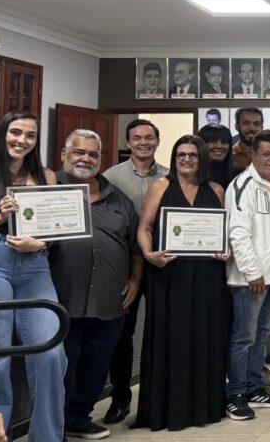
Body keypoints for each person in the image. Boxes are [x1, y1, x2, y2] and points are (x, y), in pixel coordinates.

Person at [131, 136, 232, 431]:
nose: (186, 160)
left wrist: (227, 249)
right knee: (170, 338)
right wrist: (149, 255)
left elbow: (224, 231)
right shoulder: (160, 187)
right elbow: (144, 228)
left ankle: (205, 406)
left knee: (206, 337)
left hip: (208, 278)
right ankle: (167, 409)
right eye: (181, 155)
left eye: (192, 155)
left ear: (202, 159)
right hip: (168, 275)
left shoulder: (216, 190)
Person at [50, 129, 142, 440]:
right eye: (79, 152)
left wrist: (134, 280)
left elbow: (134, 248)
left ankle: (79, 418)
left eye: (92, 154)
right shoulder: (47, 190)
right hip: (62, 300)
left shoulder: (118, 198)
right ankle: (55, 424)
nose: (85, 159)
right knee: (62, 366)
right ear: (65, 153)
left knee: (96, 365)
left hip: (108, 301)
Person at [0, 111, 65, 442]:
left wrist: (42, 240)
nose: (22, 140)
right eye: (15, 132)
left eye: (30, 135)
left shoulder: (45, 175)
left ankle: (47, 437)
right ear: (3, 132)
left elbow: (59, 224)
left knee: (51, 351)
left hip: (36, 265)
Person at [100, 119, 168, 425]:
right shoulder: (110, 178)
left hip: (163, 264)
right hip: (125, 266)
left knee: (162, 330)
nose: (143, 142)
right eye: (137, 138)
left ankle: (160, 394)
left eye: (149, 137)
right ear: (129, 143)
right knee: (122, 335)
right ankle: (120, 399)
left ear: (157, 141)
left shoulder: (170, 176)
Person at [223, 130, 270, 420]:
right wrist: (253, 272)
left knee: (261, 335)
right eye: (266, 153)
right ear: (253, 154)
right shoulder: (243, 185)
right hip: (251, 280)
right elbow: (238, 232)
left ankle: (254, 387)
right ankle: (236, 393)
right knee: (243, 337)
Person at [199, 124, 235, 189]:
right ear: (201, 144)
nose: (219, 146)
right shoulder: (192, 174)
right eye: (213, 141)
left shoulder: (238, 175)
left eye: (224, 142)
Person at [232, 106, 264, 175]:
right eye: (246, 123)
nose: (252, 128)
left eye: (256, 124)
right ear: (236, 127)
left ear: (262, 128)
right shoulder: (228, 155)